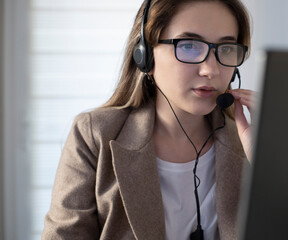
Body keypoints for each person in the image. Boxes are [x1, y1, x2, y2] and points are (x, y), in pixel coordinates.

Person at [42, 0, 256, 239]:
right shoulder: (93, 135)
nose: (211, 70)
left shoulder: (250, 145)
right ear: (146, 56)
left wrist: (269, 167)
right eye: (189, 46)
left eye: (226, 48)